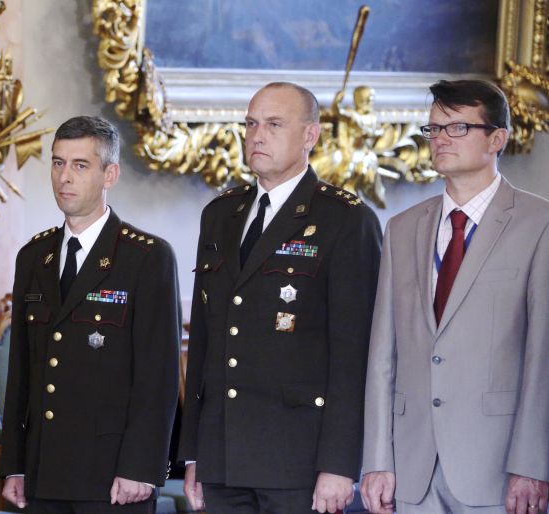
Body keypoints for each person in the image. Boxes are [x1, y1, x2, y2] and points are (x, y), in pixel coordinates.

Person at [178, 82, 382, 514]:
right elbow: (205, 345)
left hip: (298, 460)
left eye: (274, 124)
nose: (257, 136)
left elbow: (355, 355)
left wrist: (339, 464)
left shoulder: (345, 219)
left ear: (310, 135)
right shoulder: (220, 215)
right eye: (251, 124)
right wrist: (195, 452)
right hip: (223, 456)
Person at [361, 79, 549, 514]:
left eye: (458, 127)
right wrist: (377, 460)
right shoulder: (401, 228)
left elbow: (543, 355)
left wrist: (532, 464)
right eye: (433, 128)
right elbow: (383, 356)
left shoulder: (538, 222)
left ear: (497, 139)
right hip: (411, 465)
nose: (441, 139)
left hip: (497, 467)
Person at [0, 115, 181, 513]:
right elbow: (22, 372)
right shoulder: (34, 257)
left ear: (109, 174)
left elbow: (158, 377)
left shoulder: (146, 257)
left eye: (80, 165)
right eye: (58, 163)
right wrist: (14, 464)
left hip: (113, 476)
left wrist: (141, 468)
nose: (64, 177)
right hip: (44, 471)